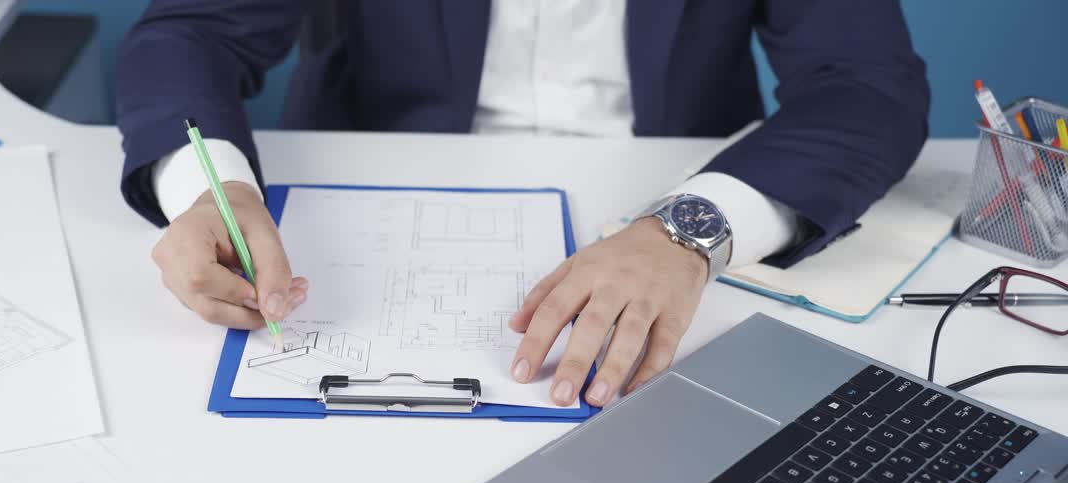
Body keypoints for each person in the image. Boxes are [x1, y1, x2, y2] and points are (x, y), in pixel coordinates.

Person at [116, 1, 929, 407]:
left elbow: (868, 88)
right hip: (390, 192)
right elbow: (191, 31)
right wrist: (209, 188)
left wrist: (688, 233)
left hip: (679, 195)